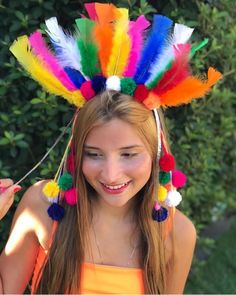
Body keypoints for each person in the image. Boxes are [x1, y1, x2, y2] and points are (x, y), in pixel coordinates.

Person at [0, 2, 222, 294]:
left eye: (129, 154)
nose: (111, 174)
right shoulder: (42, 207)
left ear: (157, 152)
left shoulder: (177, 234)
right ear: (76, 152)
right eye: (94, 154)